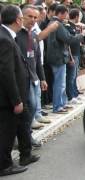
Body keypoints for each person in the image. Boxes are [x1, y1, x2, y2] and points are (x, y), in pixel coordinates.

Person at [0, 5, 39, 177]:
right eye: (23, 17)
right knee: (7, 131)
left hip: (17, 94)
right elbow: (6, 72)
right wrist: (16, 100)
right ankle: (4, 165)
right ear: (18, 19)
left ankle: (25, 155)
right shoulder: (5, 39)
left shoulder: (8, 36)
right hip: (8, 98)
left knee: (22, 123)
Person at [46, 4, 83, 114]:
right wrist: (81, 35)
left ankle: (62, 104)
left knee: (60, 82)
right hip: (58, 57)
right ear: (62, 13)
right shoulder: (57, 24)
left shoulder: (54, 22)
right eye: (66, 13)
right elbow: (68, 39)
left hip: (57, 56)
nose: (67, 16)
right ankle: (58, 106)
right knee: (59, 83)